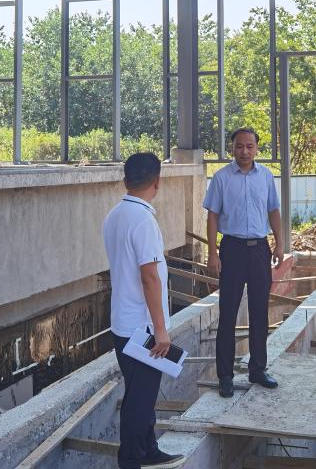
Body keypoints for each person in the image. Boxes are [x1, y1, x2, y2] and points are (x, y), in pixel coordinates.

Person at [102, 152, 185, 469]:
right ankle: (131, 459)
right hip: (142, 327)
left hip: (123, 323)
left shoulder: (115, 215)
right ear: (157, 182)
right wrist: (161, 331)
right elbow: (150, 277)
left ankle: (148, 449)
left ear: (125, 180)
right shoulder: (143, 221)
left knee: (142, 393)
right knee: (140, 397)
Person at [204, 127, 283, 397]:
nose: (245, 151)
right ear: (232, 148)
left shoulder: (266, 176)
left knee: (260, 312)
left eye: (250, 146)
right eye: (239, 146)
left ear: (257, 148)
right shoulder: (221, 178)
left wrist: (279, 243)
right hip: (232, 250)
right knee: (228, 313)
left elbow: (273, 210)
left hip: (259, 249)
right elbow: (212, 216)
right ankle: (225, 376)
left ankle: (258, 369)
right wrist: (212, 253)